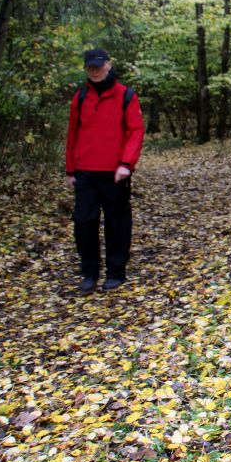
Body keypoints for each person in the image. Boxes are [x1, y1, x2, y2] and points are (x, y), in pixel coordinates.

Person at [65, 48, 144, 295]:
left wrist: (126, 164)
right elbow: (72, 135)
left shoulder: (126, 96)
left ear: (109, 65)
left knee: (117, 222)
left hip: (114, 172)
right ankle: (89, 273)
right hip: (85, 171)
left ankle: (115, 273)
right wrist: (70, 170)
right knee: (84, 223)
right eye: (90, 67)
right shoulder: (80, 98)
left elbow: (135, 130)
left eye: (99, 66)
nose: (95, 71)